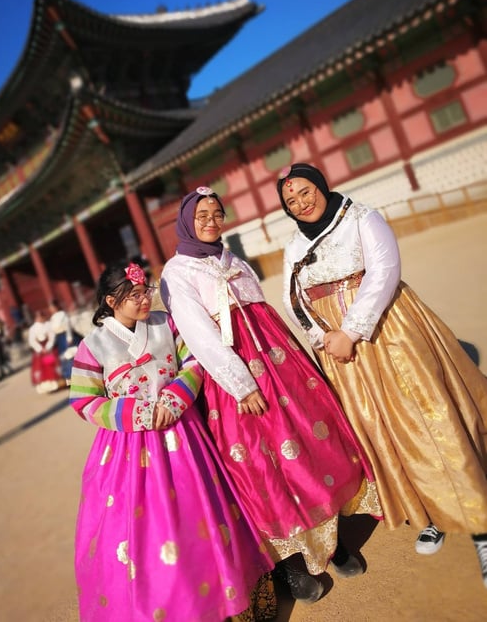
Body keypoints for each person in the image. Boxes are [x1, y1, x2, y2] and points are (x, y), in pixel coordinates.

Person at [160, 187, 382, 604]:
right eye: (201, 214)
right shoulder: (177, 272)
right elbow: (198, 332)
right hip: (235, 380)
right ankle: (293, 565)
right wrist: (240, 384)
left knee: (311, 443)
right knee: (264, 464)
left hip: (281, 365)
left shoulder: (234, 261)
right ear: (187, 222)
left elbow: (264, 314)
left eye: (216, 213)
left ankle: (332, 544)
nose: (210, 220)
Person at [277, 161, 487, 588]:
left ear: (320, 184)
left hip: (387, 330)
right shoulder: (293, 248)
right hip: (339, 350)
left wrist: (352, 330)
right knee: (380, 429)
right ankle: (430, 510)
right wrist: (324, 337)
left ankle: (478, 517)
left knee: (427, 415)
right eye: (290, 199)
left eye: (305, 190)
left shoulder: (361, 217)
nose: (301, 202)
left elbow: (385, 270)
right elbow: (292, 297)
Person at [69, 262, 276, 622]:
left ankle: (230, 598)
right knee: (143, 535)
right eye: (133, 296)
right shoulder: (94, 345)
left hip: (182, 433)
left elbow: (193, 363)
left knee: (204, 516)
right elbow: (84, 400)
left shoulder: (166, 323)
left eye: (145, 291)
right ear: (110, 301)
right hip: (128, 447)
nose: (144, 299)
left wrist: (174, 399)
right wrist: (137, 414)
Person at [28, 309, 63, 394]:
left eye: (41, 316)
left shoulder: (48, 325)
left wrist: (48, 347)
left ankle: (59, 383)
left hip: (49, 347)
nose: (40, 318)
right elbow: (32, 341)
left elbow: (52, 336)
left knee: (54, 364)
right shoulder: (33, 328)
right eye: (38, 317)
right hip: (40, 350)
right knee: (41, 368)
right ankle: (46, 387)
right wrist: (40, 349)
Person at [48, 299, 81, 382]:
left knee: (71, 355)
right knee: (64, 358)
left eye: (52, 307)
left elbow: (67, 326)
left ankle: (79, 376)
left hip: (65, 337)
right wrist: (50, 344)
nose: (51, 309)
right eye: (50, 308)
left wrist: (69, 337)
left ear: (56, 307)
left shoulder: (62, 314)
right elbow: (52, 332)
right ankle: (70, 378)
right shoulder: (52, 318)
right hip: (59, 339)